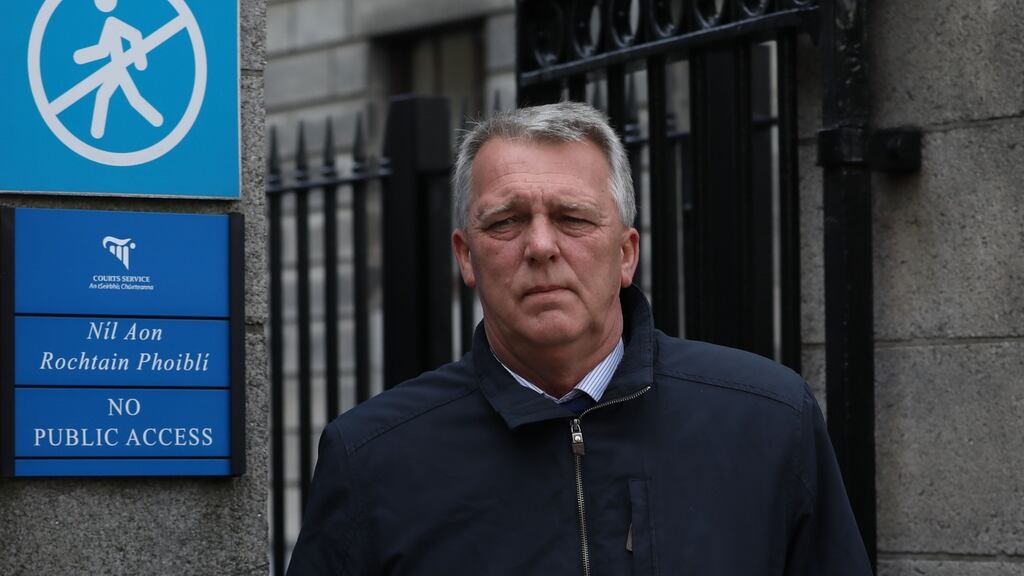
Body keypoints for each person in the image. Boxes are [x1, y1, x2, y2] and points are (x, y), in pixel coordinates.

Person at [287, 101, 872, 575]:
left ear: (626, 253)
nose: (541, 246)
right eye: (506, 222)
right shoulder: (371, 459)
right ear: (466, 257)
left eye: (573, 218)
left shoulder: (769, 422)